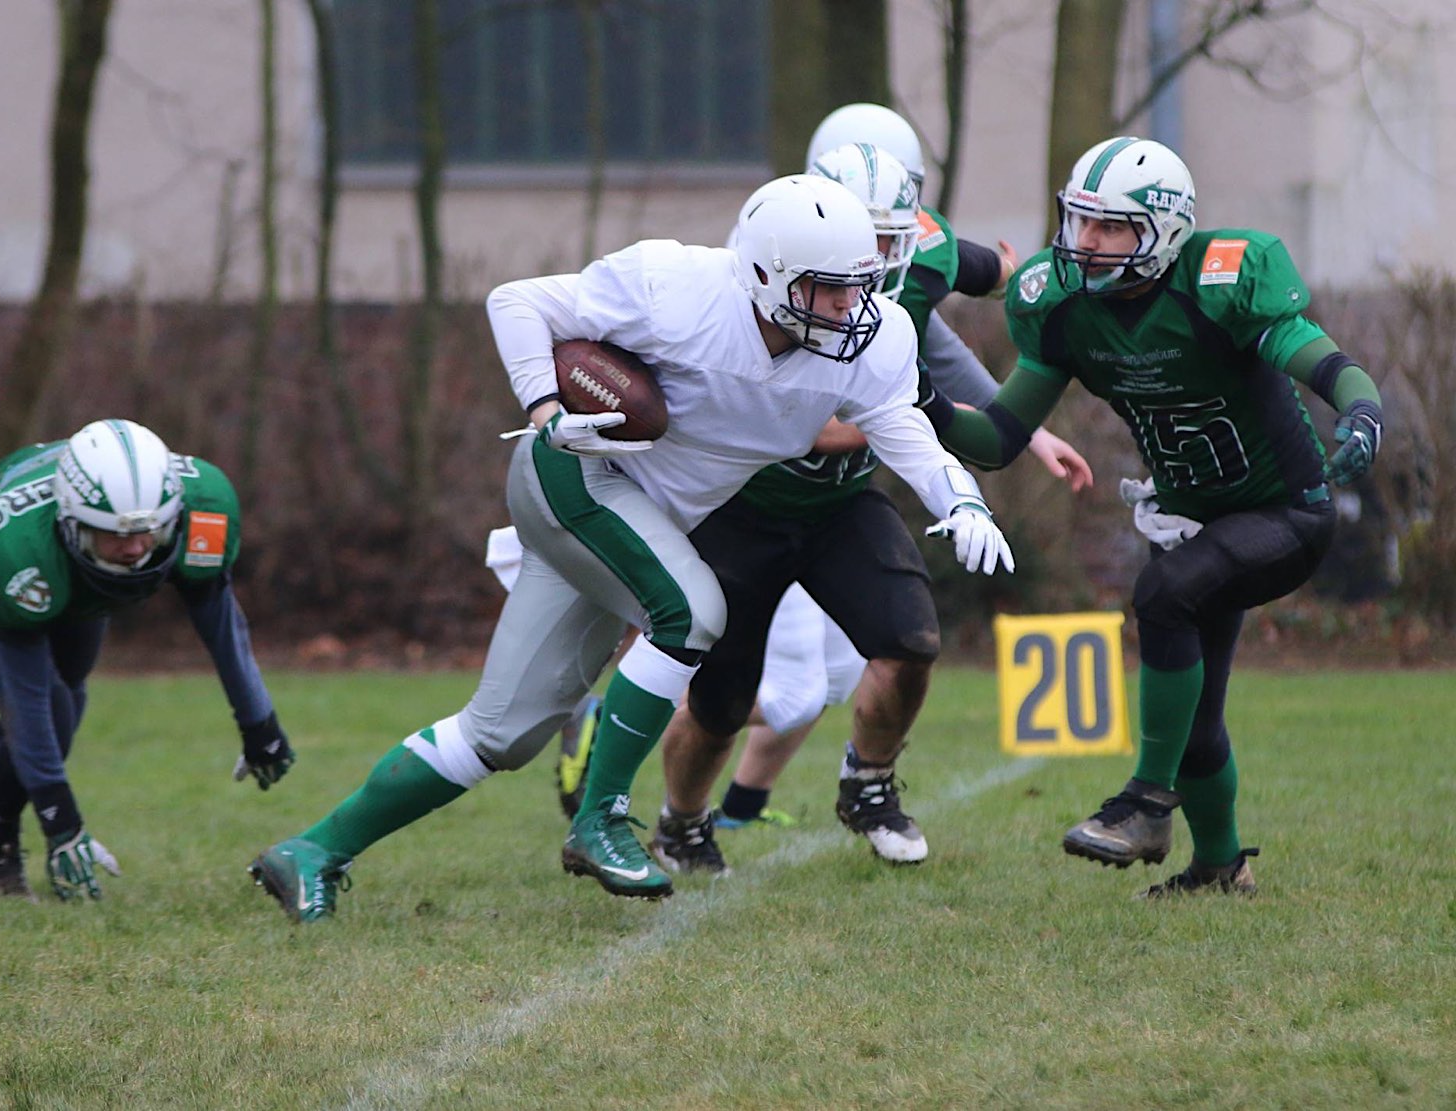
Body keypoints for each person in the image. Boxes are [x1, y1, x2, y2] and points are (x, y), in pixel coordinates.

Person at [246, 172, 1014, 921]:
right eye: (830, 287)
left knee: (499, 734)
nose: (853, 305)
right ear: (764, 273)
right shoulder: (674, 286)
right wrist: (547, 406)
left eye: (861, 282)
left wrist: (962, 500)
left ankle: (311, 851)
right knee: (692, 611)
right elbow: (515, 302)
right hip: (577, 476)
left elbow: (901, 425)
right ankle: (601, 816)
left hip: (642, 518)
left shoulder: (873, 336)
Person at [921, 135, 1384, 897]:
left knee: (1165, 592)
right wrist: (922, 400)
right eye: (1080, 221)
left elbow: (1321, 360)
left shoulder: (1222, 278)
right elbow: (999, 438)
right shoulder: (1062, 307)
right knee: (1196, 718)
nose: (1087, 244)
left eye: (1111, 228)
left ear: (1164, 230)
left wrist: (1363, 410)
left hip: (1284, 513)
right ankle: (1218, 867)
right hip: (1192, 518)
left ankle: (1144, 802)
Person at [642, 128, 1091, 874]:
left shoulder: (923, 250)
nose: (873, 262)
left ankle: (869, 781)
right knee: (722, 700)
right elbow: (817, 428)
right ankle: (682, 823)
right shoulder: (758, 271)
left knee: (910, 640)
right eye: (861, 239)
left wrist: (1025, 413)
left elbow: (984, 285)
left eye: (891, 237)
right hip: (742, 504)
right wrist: (904, 419)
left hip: (841, 505)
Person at [0, 418, 295, 901]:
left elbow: (218, 619)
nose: (133, 548)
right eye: (112, 534)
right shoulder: (14, 545)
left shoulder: (202, 505)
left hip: (72, 570)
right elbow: (21, 691)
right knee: (52, 709)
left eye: (149, 531)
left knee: (69, 696)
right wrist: (60, 821)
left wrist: (260, 723)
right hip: (4, 557)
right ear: (72, 521)